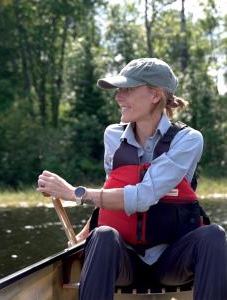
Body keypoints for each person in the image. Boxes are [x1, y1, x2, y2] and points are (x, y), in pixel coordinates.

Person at [37, 58, 227, 300]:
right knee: (103, 234)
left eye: (128, 90)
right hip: (124, 259)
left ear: (155, 95)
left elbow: (143, 196)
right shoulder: (112, 136)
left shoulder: (188, 140)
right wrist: (87, 233)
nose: (118, 97)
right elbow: (111, 194)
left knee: (214, 235)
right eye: (119, 90)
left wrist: (75, 193)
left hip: (172, 262)